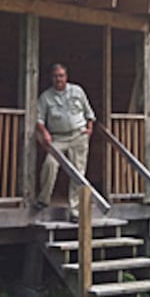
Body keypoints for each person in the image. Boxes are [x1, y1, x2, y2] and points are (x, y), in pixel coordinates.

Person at [35, 63, 96, 222]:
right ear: (51, 78)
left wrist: (89, 129)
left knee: (78, 172)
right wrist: (44, 133)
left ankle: (74, 210)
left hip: (78, 135)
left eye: (61, 76)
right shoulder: (46, 97)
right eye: (55, 76)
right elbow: (39, 119)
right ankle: (43, 199)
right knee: (50, 164)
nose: (58, 79)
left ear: (66, 77)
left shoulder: (77, 91)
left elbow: (89, 112)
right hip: (58, 137)